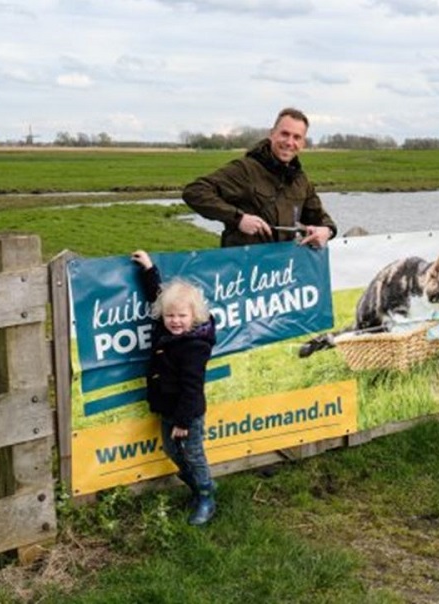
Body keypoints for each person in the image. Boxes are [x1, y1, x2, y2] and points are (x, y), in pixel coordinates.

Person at [131, 249, 218, 524]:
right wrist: (148, 269)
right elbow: (156, 296)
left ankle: (206, 496)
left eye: (182, 315)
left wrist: (183, 421)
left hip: (187, 413)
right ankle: (198, 486)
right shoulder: (166, 327)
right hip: (167, 407)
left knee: (193, 453)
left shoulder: (195, 346)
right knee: (170, 450)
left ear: (194, 316)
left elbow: (193, 388)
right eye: (170, 316)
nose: (175, 321)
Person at [183, 107, 338, 248]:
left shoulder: (300, 180)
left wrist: (327, 230)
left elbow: (320, 217)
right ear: (272, 134)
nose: (289, 142)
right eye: (284, 134)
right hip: (243, 263)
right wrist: (239, 219)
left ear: (303, 143)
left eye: (297, 137)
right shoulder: (245, 170)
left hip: (283, 266)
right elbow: (195, 191)